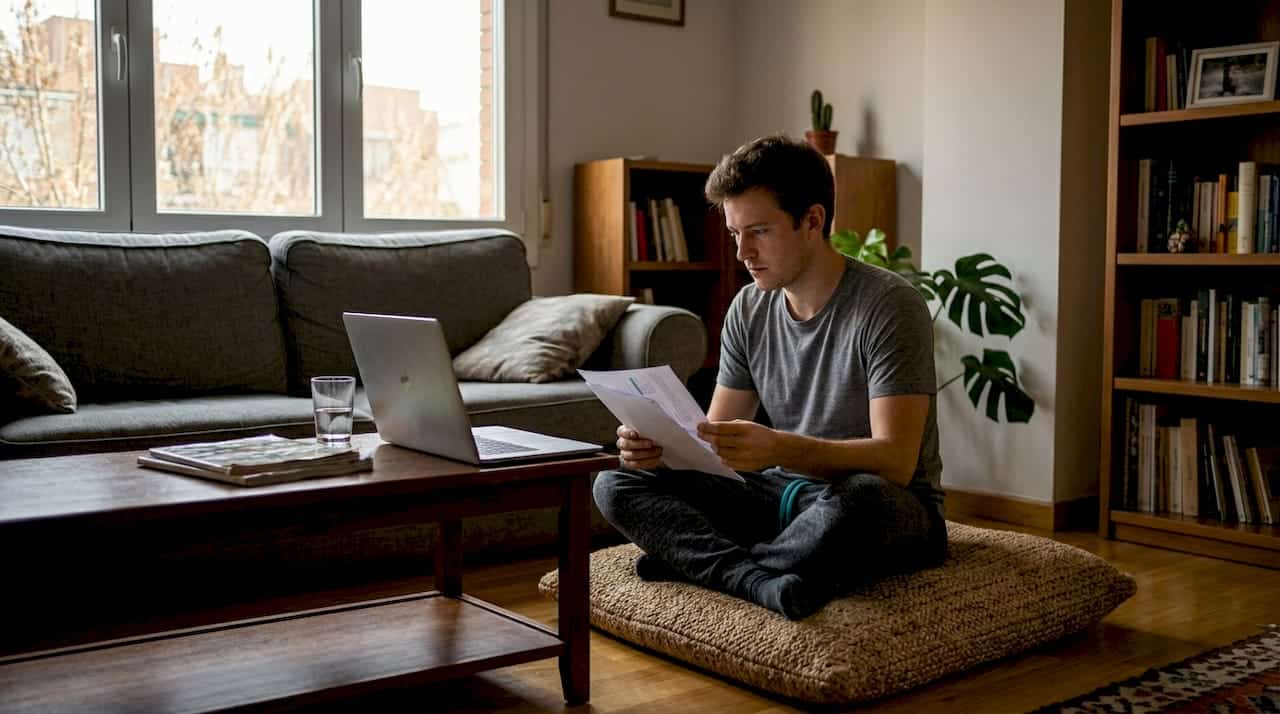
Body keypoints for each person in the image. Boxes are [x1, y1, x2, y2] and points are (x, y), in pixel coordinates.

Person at [592, 134, 947, 620]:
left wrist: (779, 448)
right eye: (736, 234)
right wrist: (659, 451)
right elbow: (712, 447)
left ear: (813, 221)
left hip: (881, 506)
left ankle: (712, 566)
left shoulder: (889, 305)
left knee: (863, 499)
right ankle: (758, 579)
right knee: (614, 485)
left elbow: (896, 462)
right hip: (777, 498)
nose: (742, 253)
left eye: (759, 231)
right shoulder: (749, 308)